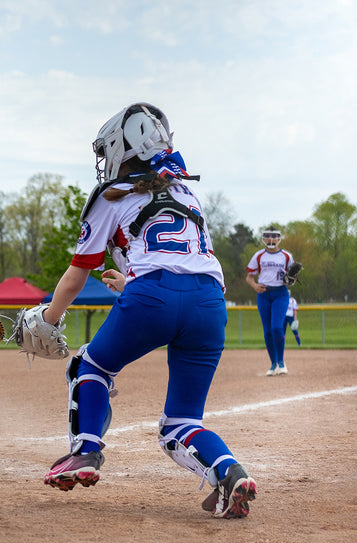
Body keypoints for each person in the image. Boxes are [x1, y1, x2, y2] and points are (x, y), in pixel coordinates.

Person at [36, 103, 257, 518]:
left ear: (123, 147)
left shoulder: (112, 194)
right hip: (210, 304)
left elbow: (77, 273)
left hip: (153, 297)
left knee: (89, 366)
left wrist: (48, 319)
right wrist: (132, 283)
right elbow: (181, 262)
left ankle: (85, 450)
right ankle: (229, 473)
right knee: (182, 422)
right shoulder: (186, 191)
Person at [246, 227, 298, 375]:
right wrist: (255, 286)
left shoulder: (286, 256)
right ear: (263, 239)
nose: (271, 239)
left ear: (279, 238)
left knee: (276, 327)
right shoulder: (259, 255)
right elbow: (249, 277)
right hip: (263, 294)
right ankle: (273, 364)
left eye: (274, 236)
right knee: (268, 331)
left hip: (280, 293)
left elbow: (293, 276)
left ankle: (281, 362)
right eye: (267, 236)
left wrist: (291, 280)